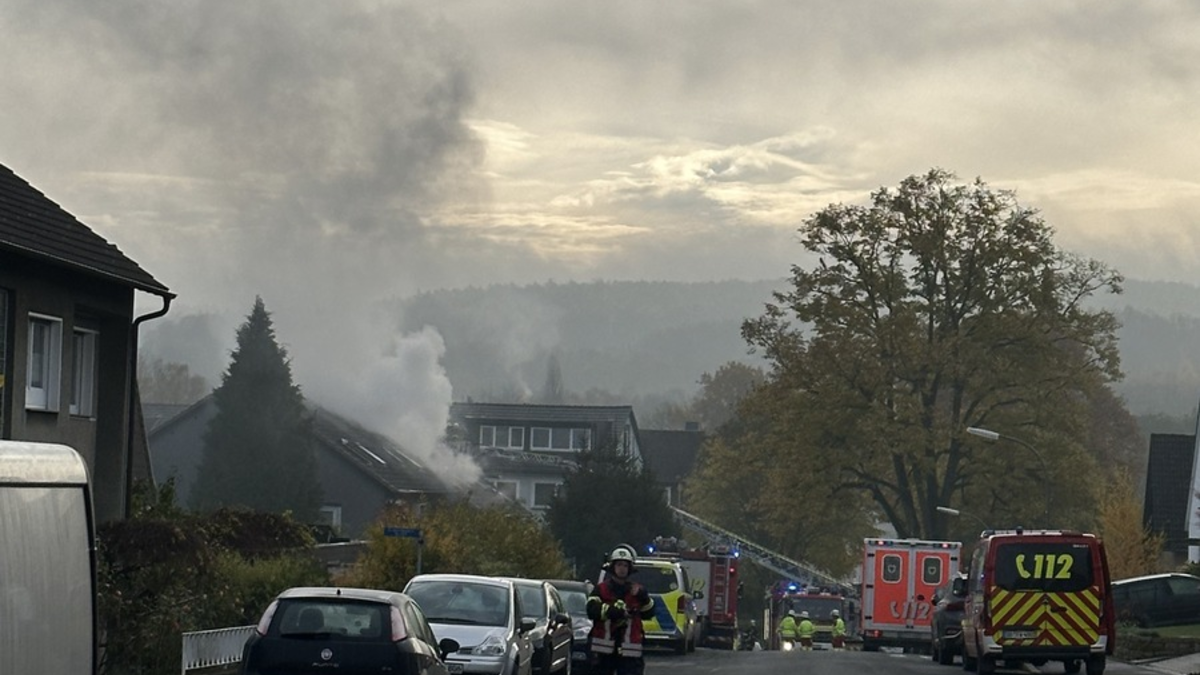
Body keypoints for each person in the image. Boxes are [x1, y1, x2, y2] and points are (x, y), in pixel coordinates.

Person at [587, 544, 656, 675]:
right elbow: (591, 610)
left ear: (630, 569)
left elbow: (649, 613)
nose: (622, 569)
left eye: (625, 565)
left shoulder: (637, 591)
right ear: (613, 567)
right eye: (619, 565)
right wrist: (614, 612)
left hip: (630, 652)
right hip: (603, 652)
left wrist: (644, 597)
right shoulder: (601, 589)